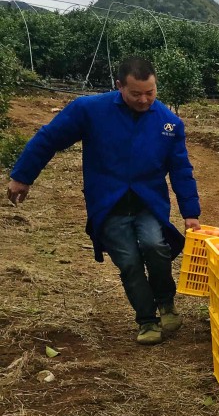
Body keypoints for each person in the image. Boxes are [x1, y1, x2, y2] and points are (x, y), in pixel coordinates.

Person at [6, 57, 201, 345]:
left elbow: (181, 170)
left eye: (151, 92)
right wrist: (23, 175)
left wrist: (190, 212)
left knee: (155, 246)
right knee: (129, 262)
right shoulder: (90, 110)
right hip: (109, 202)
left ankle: (166, 301)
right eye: (136, 94)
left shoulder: (169, 123)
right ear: (119, 85)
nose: (145, 99)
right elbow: (49, 138)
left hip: (148, 202)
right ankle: (147, 320)